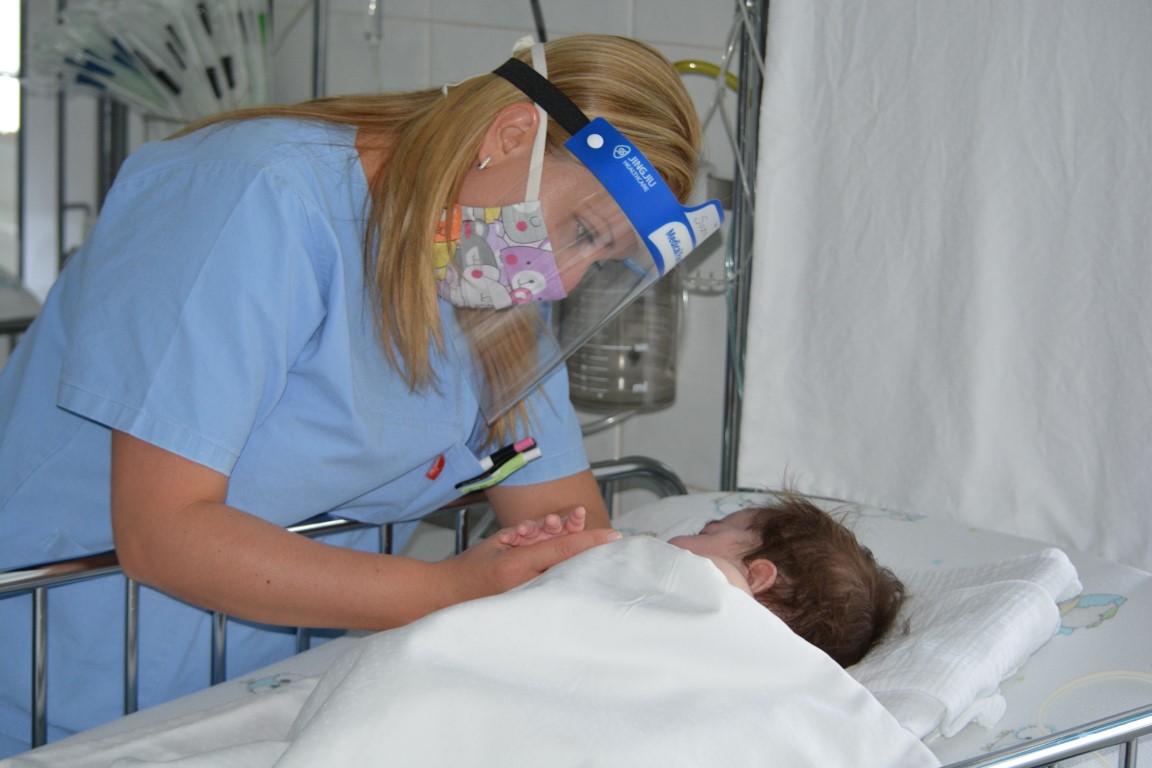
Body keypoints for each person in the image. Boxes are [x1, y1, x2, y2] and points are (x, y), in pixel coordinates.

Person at [0, 34, 723, 754]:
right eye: (583, 231)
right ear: (510, 135)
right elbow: (164, 535)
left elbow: (566, 528)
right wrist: (444, 591)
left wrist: (677, 590)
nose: (564, 280)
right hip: (49, 675)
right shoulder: (256, 195)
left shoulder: (488, 276)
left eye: (601, 257)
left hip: (258, 700)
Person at [507, 492, 908, 667]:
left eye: (707, 532)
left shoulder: (726, 588)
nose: (683, 537)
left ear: (757, 575)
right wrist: (561, 558)